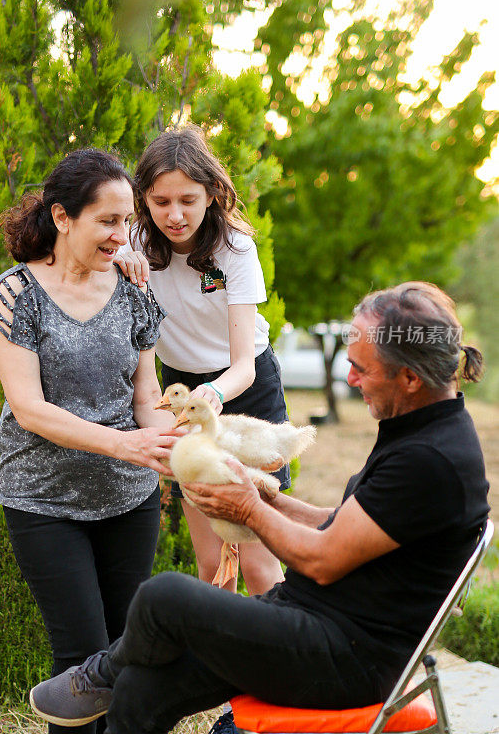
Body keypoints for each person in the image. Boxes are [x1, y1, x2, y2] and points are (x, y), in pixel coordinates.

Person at [29, 280, 489, 734]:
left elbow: (323, 560)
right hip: (320, 623)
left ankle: (98, 675)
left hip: (349, 657)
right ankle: (112, 679)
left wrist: (250, 508)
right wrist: (270, 496)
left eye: (362, 370)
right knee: (143, 691)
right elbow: (344, 527)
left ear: (410, 378)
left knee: (163, 597)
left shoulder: (431, 459)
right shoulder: (418, 429)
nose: (350, 379)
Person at [0, 149, 184, 734]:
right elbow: (30, 408)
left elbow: (146, 397)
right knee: (80, 659)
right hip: (44, 502)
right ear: (63, 217)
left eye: (128, 222)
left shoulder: (135, 291)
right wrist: (126, 446)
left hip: (129, 497)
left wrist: (174, 434)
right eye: (108, 221)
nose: (123, 236)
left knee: (126, 652)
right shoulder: (16, 295)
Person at [115, 126, 290, 600]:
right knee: (211, 557)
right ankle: (223, 663)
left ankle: (281, 662)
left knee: (256, 555)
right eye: (160, 201)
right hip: (180, 388)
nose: (175, 215)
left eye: (188, 200)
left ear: (212, 194)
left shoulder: (234, 251)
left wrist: (208, 398)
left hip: (243, 388)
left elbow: (243, 366)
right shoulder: (131, 243)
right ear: (143, 199)